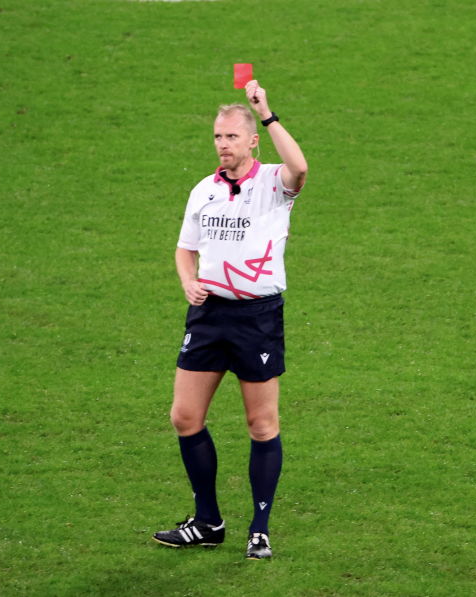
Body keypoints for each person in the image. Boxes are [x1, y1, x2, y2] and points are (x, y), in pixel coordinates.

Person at [152, 79, 308, 560]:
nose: (223, 144)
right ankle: (208, 522)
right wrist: (187, 281)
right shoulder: (204, 190)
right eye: (218, 137)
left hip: (256, 318)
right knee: (184, 417)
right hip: (208, 315)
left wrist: (266, 112)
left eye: (232, 136)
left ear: (253, 140)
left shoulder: (275, 184)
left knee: (261, 424)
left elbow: (301, 167)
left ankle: (259, 530)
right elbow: (185, 248)